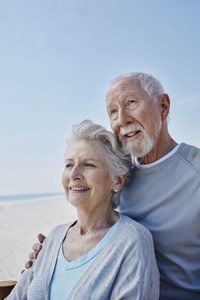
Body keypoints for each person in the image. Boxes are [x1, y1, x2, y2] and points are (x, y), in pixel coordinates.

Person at [28, 73, 200, 299]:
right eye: (113, 111)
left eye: (131, 103)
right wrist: (51, 258)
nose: (122, 119)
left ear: (163, 106)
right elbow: (96, 233)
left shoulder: (195, 171)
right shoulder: (114, 175)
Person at [7, 120, 159, 300]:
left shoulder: (132, 240)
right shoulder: (53, 238)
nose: (74, 174)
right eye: (69, 164)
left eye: (88, 164)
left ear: (117, 180)